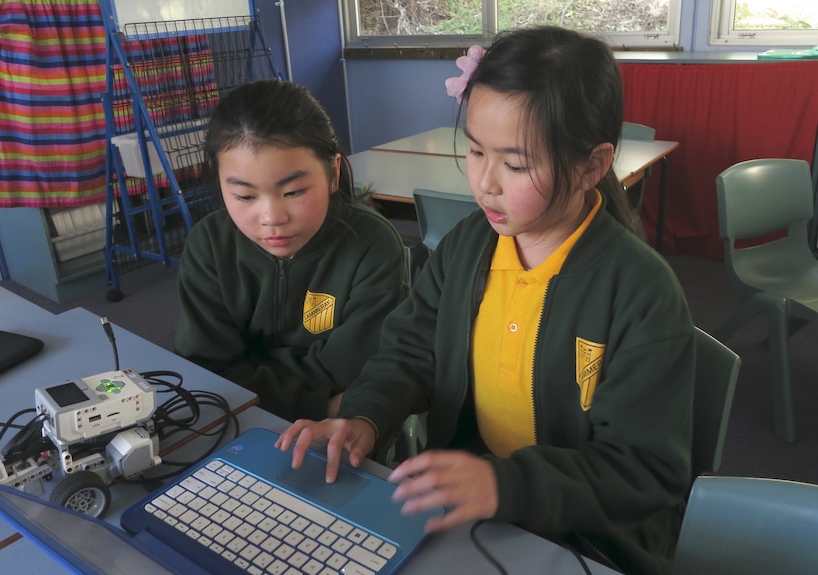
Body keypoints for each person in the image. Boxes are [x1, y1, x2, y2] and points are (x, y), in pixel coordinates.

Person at [277, 26, 695, 575]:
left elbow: (643, 473)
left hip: (587, 539)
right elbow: (410, 349)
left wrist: (504, 483)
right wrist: (365, 415)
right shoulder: (470, 245)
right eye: (475, 150)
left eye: (516, 165)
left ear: (592, 167)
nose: (485, 183)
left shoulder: (640, 291)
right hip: (476, 510)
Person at [175, 79, 407, 422]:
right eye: (244, 196)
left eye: (294, 191)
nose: (272, 218)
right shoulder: (209, 245)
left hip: (337, 433)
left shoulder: (371, 244)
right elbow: (206, 369)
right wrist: (319, 405)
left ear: (333, 173)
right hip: (243, 423)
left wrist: (248, 375)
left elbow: (353, 369)